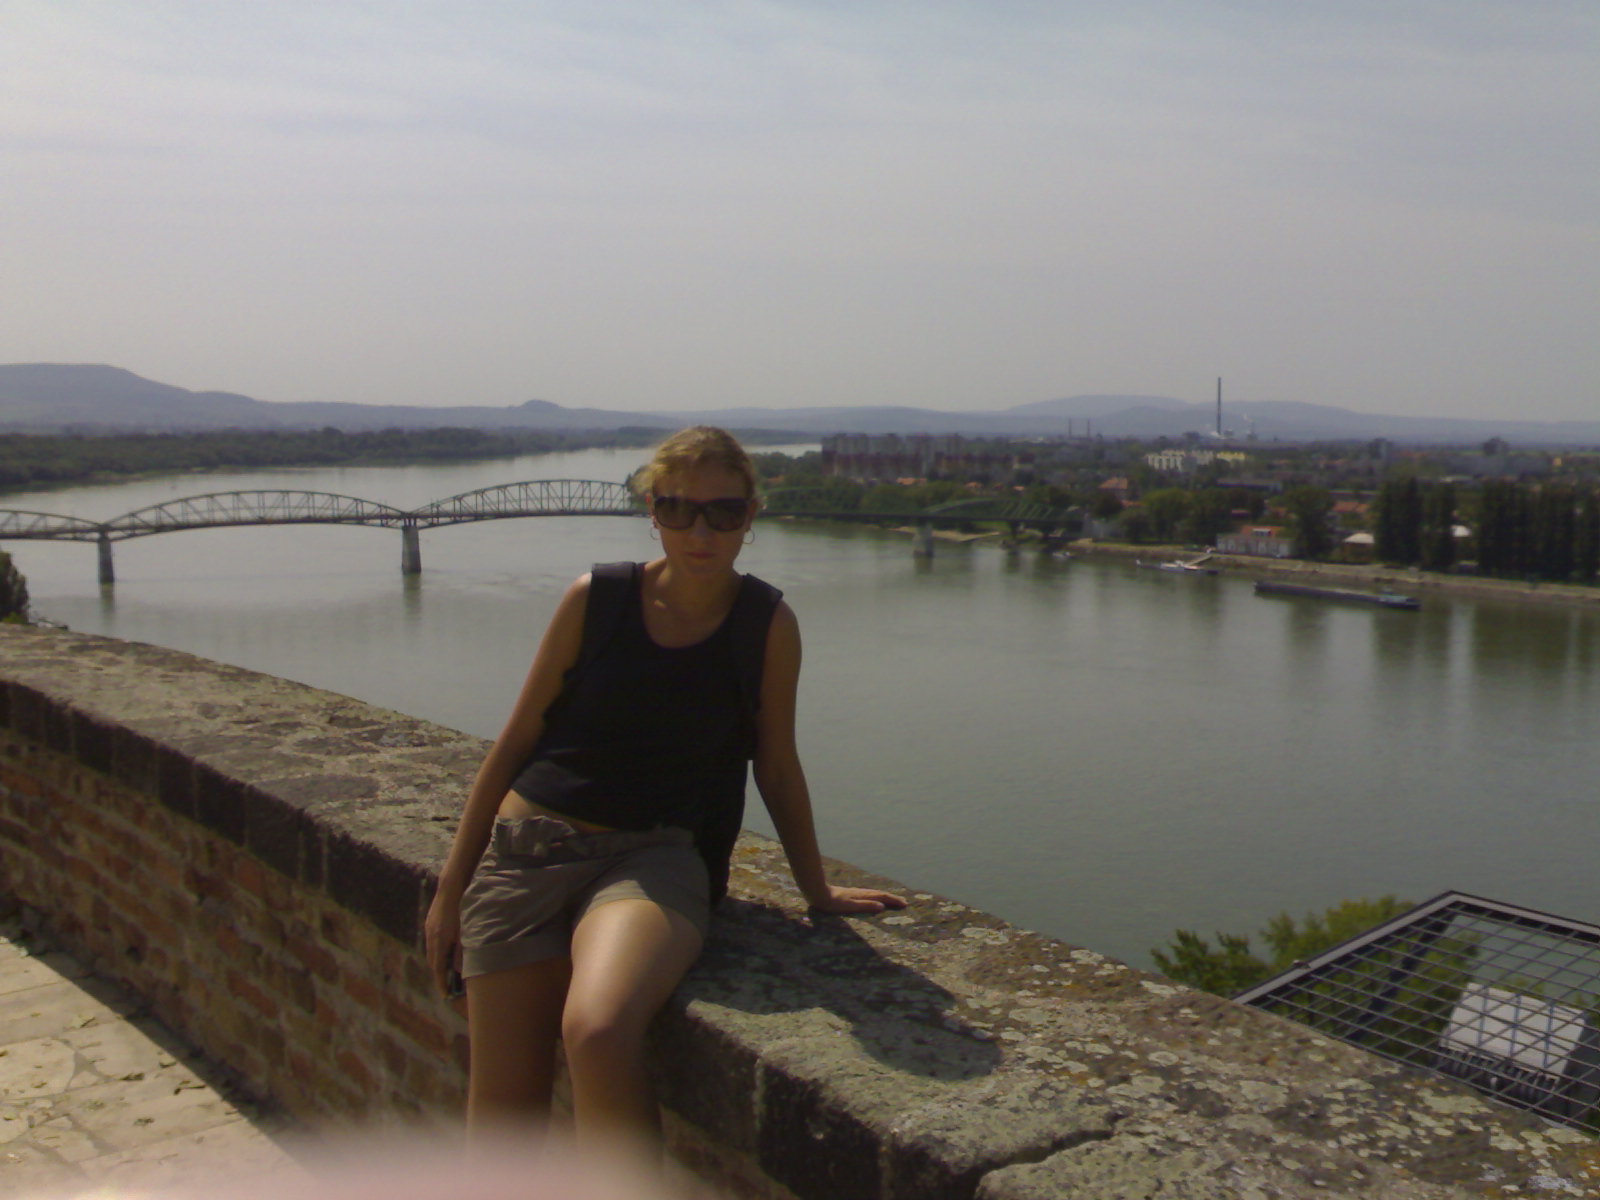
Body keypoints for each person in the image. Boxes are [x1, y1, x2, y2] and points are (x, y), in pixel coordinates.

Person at [424, 426, 905, 1148]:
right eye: (679, 509)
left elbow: (776, 765)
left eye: (724, 512)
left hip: (652, 861)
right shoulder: (597, 599)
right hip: (528, 854)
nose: (700, 532)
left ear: (751, 515)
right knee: (501, 1127)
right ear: (653, 511)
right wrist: (450, 891)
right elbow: (517, 742)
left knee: (598, 1029)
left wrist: (817, 890)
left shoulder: (765, 624)